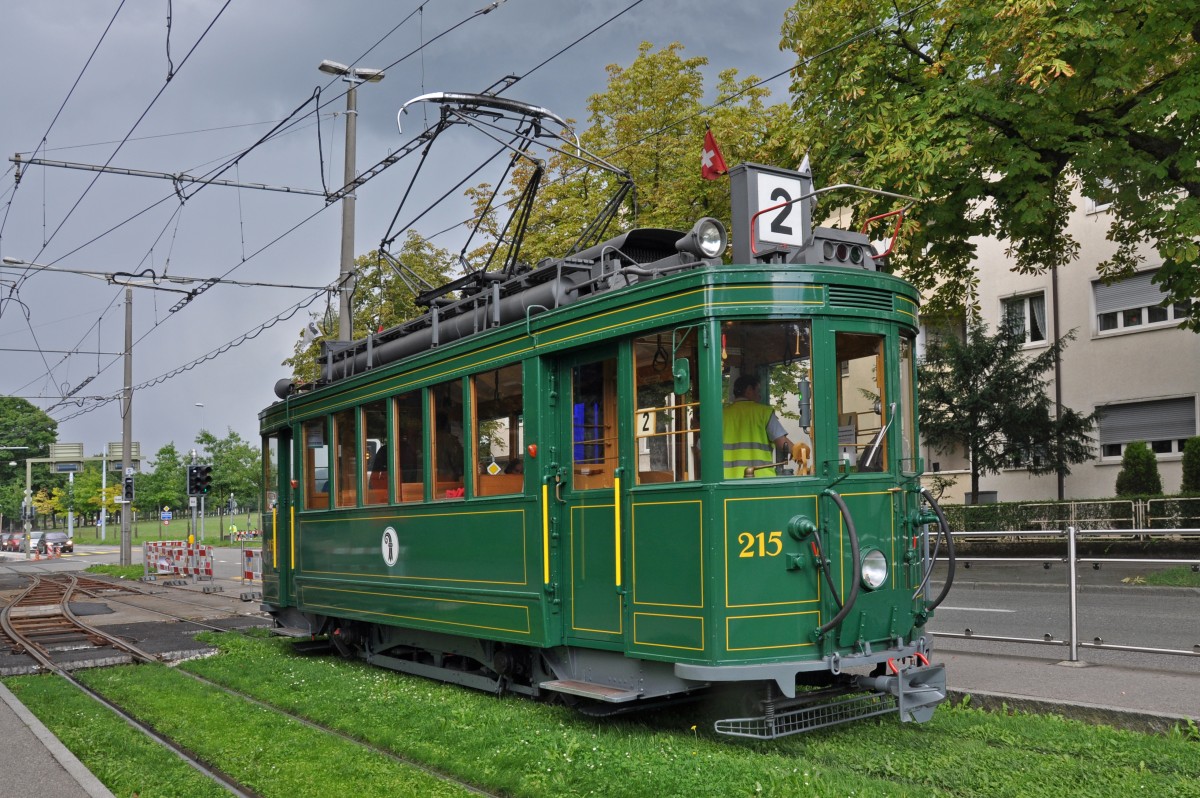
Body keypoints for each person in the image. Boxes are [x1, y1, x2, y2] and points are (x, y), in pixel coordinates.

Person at [723, 374, 793, 478]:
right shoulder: (764, 413)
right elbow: (782, 443)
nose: (760, 396)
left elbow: (700, 451)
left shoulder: (720, 415)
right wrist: (800, 451)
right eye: (758, 391)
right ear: (749, 390)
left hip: (726, 484)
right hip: (761, 482)